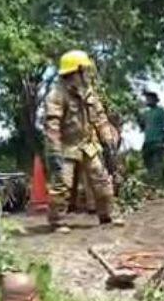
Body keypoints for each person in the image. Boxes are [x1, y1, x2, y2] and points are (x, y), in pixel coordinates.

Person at [44, 50, 123, 232]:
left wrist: (108, 140)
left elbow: (100, 119)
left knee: (101, 178)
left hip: (88, 144)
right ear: (76, 71)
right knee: (62, 184)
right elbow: (52, 125)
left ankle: (107, 214)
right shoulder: (57, 95)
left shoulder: (89, 93)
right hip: (65, 146)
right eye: (85, 70)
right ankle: (57, 221)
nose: (88, 74)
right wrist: (54, 151)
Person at [139, 90, 164, 171]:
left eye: (149, 98)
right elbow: (142, 127)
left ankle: (158, 180)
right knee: (148, 164)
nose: (147, 100)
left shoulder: (161, 111)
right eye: (147, 98)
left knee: (157, 165)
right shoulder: (145, 113)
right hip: (147, 142)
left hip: (158, 141)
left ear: (155, 100)